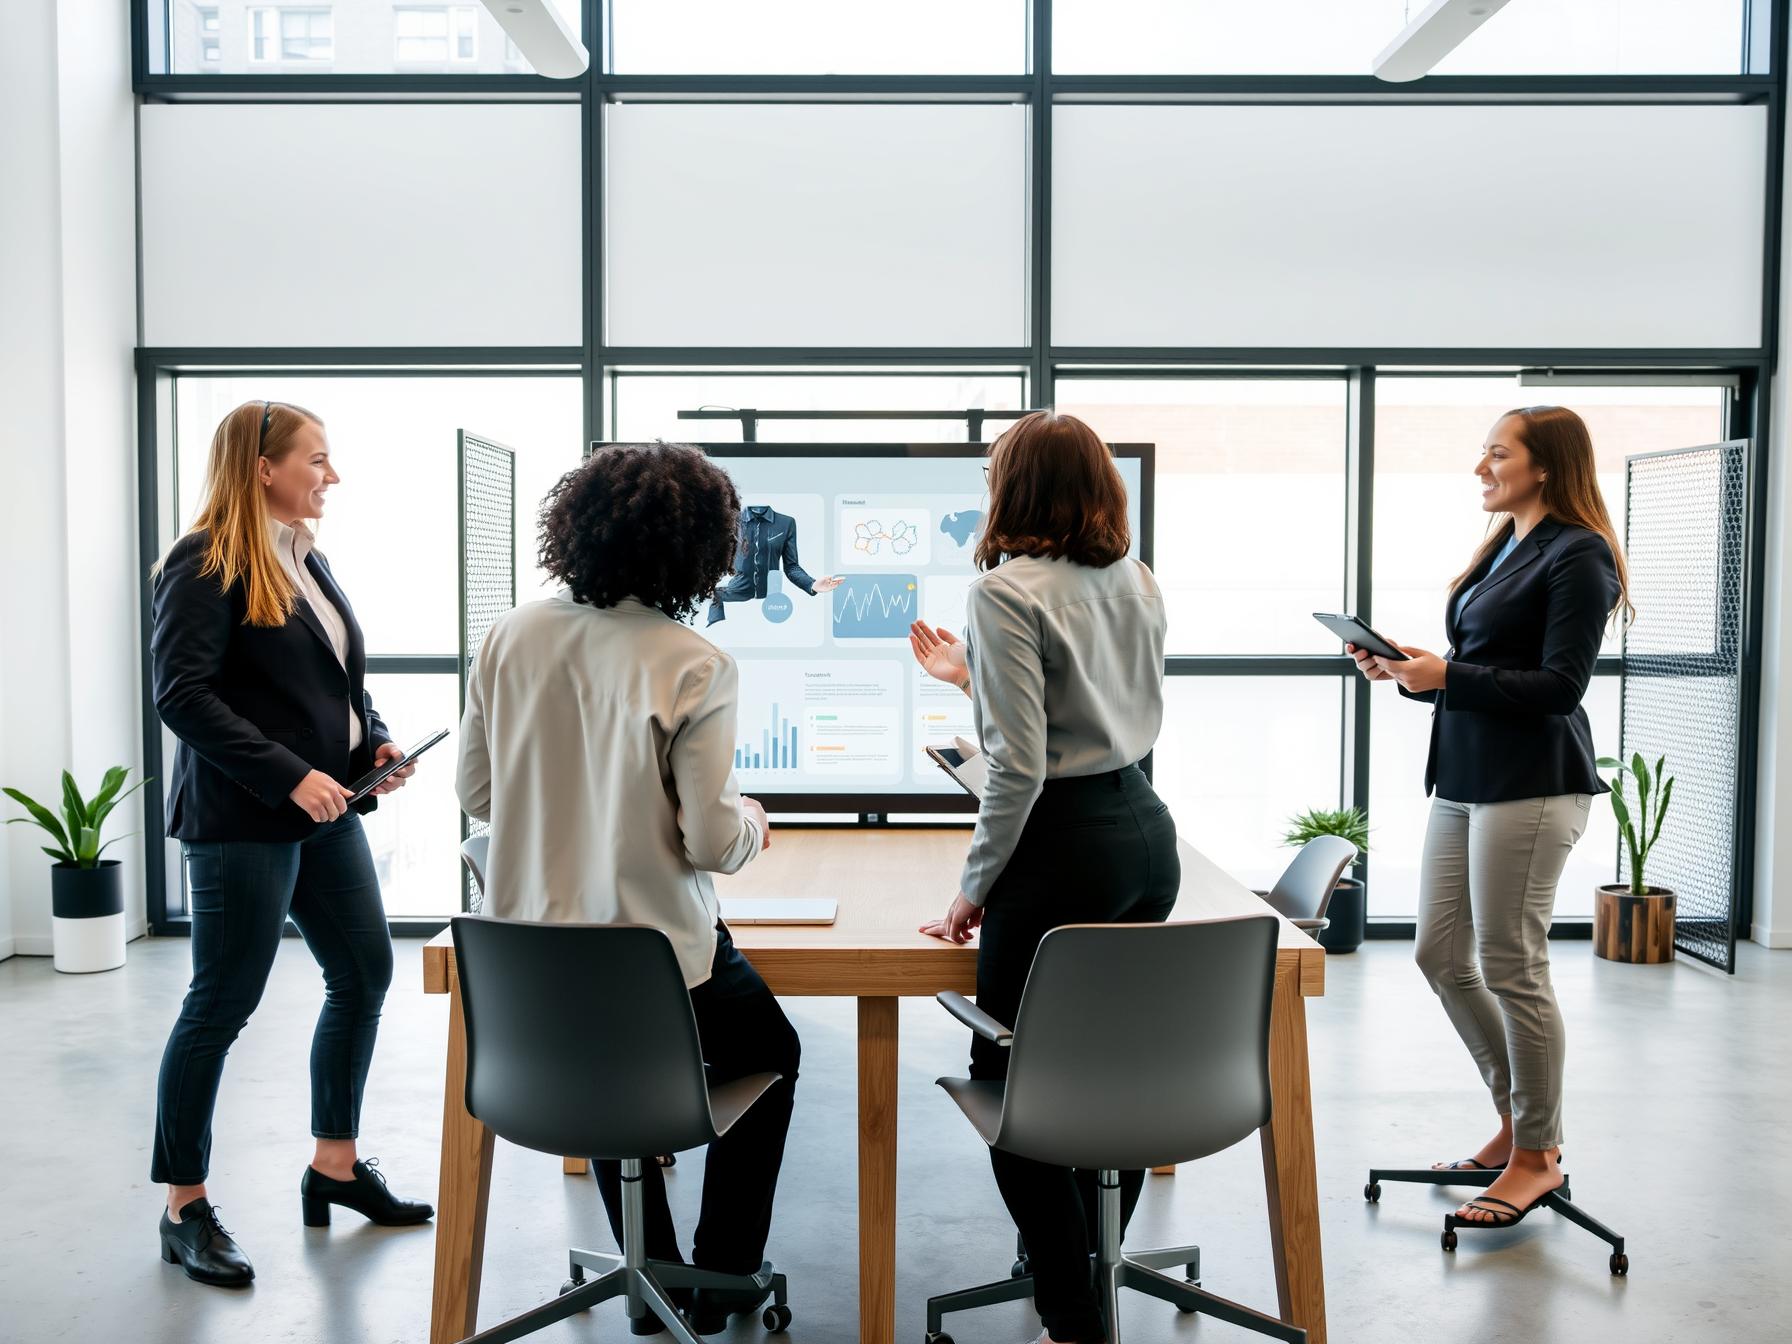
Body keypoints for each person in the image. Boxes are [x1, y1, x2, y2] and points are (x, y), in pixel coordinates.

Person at [455, 442, 799, 1336]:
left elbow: (479, 797)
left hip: (532, 955)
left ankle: (652, 1276)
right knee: (773, 1052)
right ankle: (716, 1276)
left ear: (579, 529)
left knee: (609, 1075)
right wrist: (755, 819)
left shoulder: (511, 634)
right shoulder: (693, 662)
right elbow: (713, 842)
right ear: (701, 550)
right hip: (660, 956)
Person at [150, 400, 433, 1288]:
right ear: (262, 466)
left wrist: (373, 743)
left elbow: (335, 679)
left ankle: (334, 1169)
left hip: (326, 807)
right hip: (246, 819)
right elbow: (183, 696)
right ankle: (184, 1208)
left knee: (364, 972)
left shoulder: (307, 557)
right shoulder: (203, 562)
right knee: (222, 1002)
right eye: (317, 459)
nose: (331, 475)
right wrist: (286, 774)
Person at [912, 411, 1176, 1344]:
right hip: (1145, 834)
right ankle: (1088, 1267)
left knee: (1009, 1080)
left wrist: (973, 885)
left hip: (1058, 850)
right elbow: (1098, 711)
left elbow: (1019, 767)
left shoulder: (1002, 592)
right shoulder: (1134, 579)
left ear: (1010, 489)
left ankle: (1074, 1313)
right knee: (1110, 1068)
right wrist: (971, 680)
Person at [1347, 404, 1626, 1232]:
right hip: (1467, 775)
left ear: (1545, 467)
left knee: (1512, 962)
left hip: (1532, 785)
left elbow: (1560, 687)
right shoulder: (1505, 545)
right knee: (1440, 951)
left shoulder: (1581, 556)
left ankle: (1535, 1156)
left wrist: (1448, 678)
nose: (1480, 467)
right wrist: (1411, 672)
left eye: (1496, 454)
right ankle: (1516, 1120)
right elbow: (1481, 664)